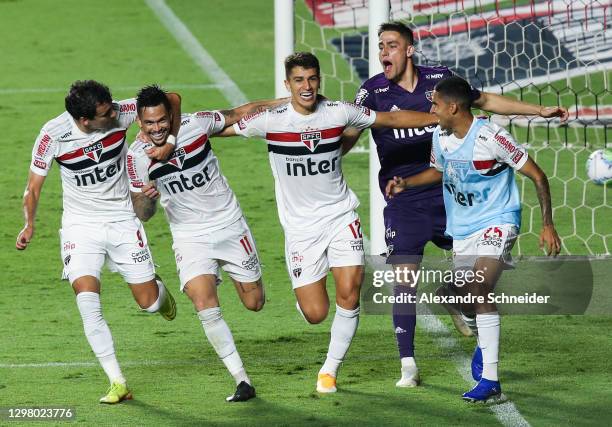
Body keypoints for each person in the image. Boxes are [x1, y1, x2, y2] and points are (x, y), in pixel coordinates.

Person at [341, 21, 569, 387]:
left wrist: (537, 111)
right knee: (404, 277)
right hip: (404, 198)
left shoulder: (440, 82)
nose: (384, 52)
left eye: (392, 45)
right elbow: (351, 129)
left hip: (452, 196)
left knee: (478, 282)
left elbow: (485, 100)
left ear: (410, 49)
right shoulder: (372, 91)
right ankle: (408, 365)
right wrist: (328, 161)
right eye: (380, 46)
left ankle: (474, 331)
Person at [219, 52, 438, 394]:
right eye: (299, 80)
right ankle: (305, 297)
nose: (306, 87)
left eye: (311, 79)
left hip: (340, 216)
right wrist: (173, 132)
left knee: (350, 294)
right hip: (301, 229)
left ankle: (329, 371)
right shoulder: (272, 120)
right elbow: (226, 123)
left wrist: (438, 118)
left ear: (319, 80)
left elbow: (390, 120)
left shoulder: (339, 111)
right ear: (287, 84)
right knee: (316, 312)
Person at [386, 75, 561, 402]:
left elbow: (537, 174)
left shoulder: (492, 136)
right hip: (463, 228)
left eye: (436, 104)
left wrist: (547, 224)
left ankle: (491, 379)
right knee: (470, 295)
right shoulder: (441, 135)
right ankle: (456, 298)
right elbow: (440, 171)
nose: (432, 110)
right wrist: (407, 183)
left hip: (498, 219)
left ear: (453, 107)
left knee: (480, 286)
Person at [15, 80, 181, 404]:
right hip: (80, 226)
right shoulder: (53, 135)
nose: (116, 115)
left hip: (121, 219)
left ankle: (160, 295)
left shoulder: (120, 111)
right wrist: (29, 224)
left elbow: (172, 99)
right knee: (87, 303)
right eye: (106, 114)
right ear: (85, 120)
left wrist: (167, 140)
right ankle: (117, 381)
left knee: (149, 303)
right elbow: (32, 187)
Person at [127, 85, 285, 402]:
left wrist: (287, 103)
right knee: (204, 304)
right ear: (140, 124)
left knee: (255, 303)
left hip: (229, 224)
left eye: (161, 120)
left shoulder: (194, 125)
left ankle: (236, 279)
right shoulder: (136, 157)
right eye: (149, 123)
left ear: (169, 117)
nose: (156, 128)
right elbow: (142, 214)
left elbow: (239, 113)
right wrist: (147, 197)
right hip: (190, 236)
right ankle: (242, 381)